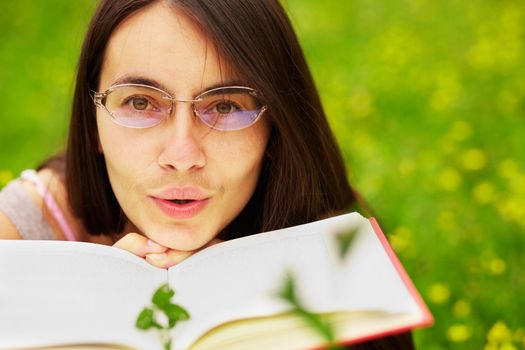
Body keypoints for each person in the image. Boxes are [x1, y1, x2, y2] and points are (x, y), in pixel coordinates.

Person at [0, 0, 414, 348]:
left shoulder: (333, 263)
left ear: (276, 129)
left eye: (226, 106)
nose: (182, 155)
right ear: (93, 124)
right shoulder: (22, 235)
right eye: (141, 103)